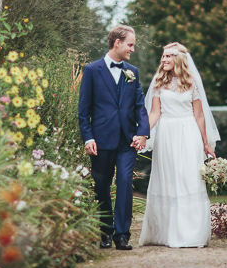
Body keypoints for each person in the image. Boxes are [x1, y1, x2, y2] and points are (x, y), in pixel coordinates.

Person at [139, 42, 219, 248]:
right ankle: (165, 234)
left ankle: (191, 234)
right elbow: (155, 113)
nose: (163, 60)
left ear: (179, 59)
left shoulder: (191, 82)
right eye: (163, 57)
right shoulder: (159, 81)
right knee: (168, 179)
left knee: (188, 179)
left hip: (188, 133)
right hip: (166, 134)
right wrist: (142, 134)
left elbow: (199, 115)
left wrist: (205, 143)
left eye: (167, 56)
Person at [78, 25, 150, 250]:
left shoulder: (133, 72)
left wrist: (142, 132)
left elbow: (140, 106)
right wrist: (88, 138)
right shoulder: (91, 70)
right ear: (117, 43)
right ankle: (105, 232)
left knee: (126, 182)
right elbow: (84, 110)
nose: (133, 49)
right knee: (101, 185)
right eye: (130, 44)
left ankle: (122, 235)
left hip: (127, 140)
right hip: (100, 140)